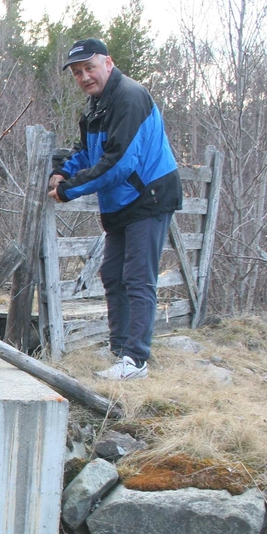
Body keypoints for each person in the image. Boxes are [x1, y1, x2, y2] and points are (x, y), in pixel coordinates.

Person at [48, 38, 182, 381]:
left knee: (138, 277)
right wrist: (64, 168)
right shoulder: (96, 105)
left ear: (108, 63)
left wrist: (69, 189)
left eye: (89, 68)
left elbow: (120, 162)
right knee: (112, 274)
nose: (84, 77)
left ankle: (135, 360)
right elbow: (87, 149)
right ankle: (120, 350)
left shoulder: (130, 97)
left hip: (147, 197)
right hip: (122, 202)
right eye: (77, 72)